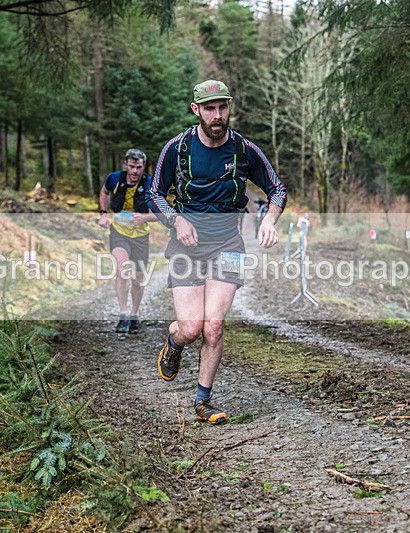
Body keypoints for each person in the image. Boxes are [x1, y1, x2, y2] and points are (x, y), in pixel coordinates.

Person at [146, 79, 287, 425]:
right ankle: (174, 341)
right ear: (196, 110)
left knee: (213, 327)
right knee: (191, 328)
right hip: (186, 246)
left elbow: (277, 189)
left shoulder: (243, 150)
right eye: (209, 108)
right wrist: (176, 220)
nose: (217, 115)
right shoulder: (177, 149)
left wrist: (269, 220)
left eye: (222, 107)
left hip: (229, 245)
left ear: (230, 107)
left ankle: (202, 401)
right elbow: (154, 193)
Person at [98, 149, 156, 334]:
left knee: (138, 279)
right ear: (125, 164)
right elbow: (104, 192)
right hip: (119, 233)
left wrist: (145, 218)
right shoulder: (115, 178)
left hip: (140, 237)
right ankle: (123, 314)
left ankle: (134, 314)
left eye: (139, 167)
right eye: (132, 166)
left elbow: (164, 213)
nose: (135, 171)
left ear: (143, 167)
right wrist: (103, 213)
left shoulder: (150, 184)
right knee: (122, 270)